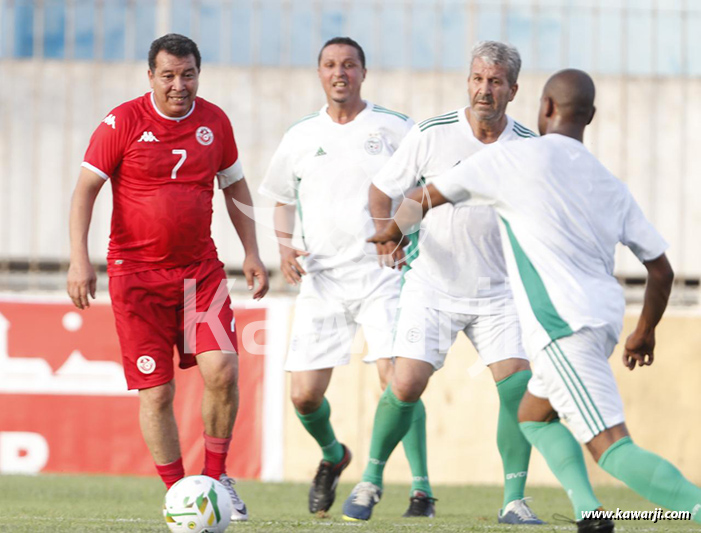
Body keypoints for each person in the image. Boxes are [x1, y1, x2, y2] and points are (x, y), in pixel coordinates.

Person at [368, 69, 701, 532]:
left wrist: (389, 229)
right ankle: (590, 514)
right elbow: (660, 269)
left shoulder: (513, 160)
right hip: (600, 320)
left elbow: (427, 195)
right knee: (533, 416)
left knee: (611, 448)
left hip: (561, 329)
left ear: (544, 107)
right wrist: (644, 332)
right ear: (592, 116)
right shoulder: (607, 180)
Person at [66, 33, 268, 522]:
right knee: (157, 393)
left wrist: (253, 252)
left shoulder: (214, 122)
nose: (180, 85)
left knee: (223, 370)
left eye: (189, 74)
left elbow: (235, 183)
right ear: (151, 76)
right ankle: (180, 494)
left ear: (199, 73)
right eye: (169, 75)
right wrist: (79, 259)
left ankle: (217, 477)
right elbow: (85, 192)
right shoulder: (123, 122)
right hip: (136, 278)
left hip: (200, 274)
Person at [342, 41, 543, 524]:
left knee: (517, 387)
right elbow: (381, 189)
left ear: (513, 89)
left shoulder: (531, 149)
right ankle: (369, 480)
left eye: (495, 81)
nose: (484, 89)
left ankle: (514, 500)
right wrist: (385, 234)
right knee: (406, 384)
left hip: (499, 292)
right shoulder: (433, 133)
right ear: (467, 81)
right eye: (477, 78)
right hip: (432, 285)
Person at [258, 37, 430, 517]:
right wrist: (284, 247)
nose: (340, 73)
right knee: (304, 395)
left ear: (363, 73)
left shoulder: (395, 128)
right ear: (319, 74)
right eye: (331, 65)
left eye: (349, 65)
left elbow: (423, 188)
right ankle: (334, 456)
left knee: (398, 381)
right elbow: (281, 196)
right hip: (322, 280)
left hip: (383, 275)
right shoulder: (299, 136)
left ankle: (421, 489)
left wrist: (402, 232)